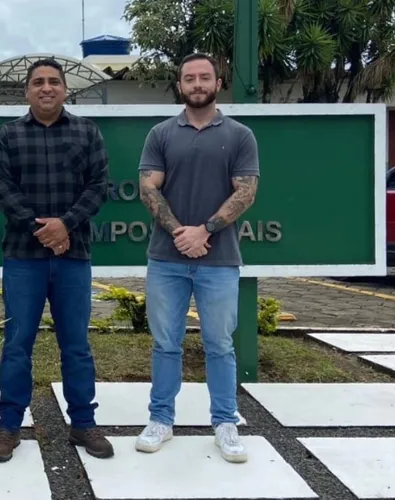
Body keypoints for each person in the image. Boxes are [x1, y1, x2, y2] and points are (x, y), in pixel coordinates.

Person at [134, 53, 260, 464]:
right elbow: (149, 188)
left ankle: (225, 423)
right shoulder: (161, 134)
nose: (197, 83)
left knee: (220, 344)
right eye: (189, 78)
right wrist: (179, 234)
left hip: (220, 259)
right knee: (165, 343)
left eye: (204, 77)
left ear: (217, 83)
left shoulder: (240, 135)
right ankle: (161, 420)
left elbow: (246, 193)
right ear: (180, 85)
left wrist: (204, 230)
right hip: (166, 259)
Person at [0, 58, 113, 463]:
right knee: (17, 344)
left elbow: (98, 187)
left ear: (64, 89)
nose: (46, 88)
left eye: (54, 82)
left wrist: (66, 225)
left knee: (76, 345)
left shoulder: (87, 131)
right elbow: (1, 189)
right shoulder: (7, 135)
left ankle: (83, 423)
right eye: (38, 82)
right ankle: (8, 425)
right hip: (23, 257)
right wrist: (43, 230)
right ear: (27, 91)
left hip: (73, 257)